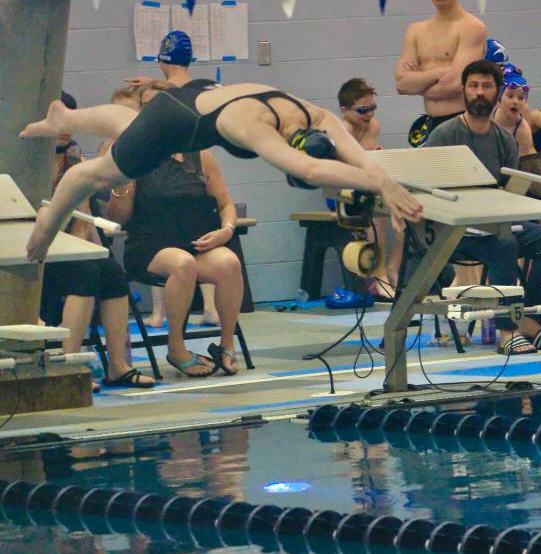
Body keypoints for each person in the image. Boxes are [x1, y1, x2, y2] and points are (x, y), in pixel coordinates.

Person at [19, 77, 424, 264]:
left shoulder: (313, 115)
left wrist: (387, 185)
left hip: (196, 96)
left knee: (130, 126)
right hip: (176, 122)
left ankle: (65, 117)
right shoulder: (254, 127)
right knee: (100, 174)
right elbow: (314, 171)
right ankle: (46, 224)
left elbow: (358, 159)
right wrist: (383, 186)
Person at [425, 60, 541, 355]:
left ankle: (529, 319)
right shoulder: (444, 134)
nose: (479, 92)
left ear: (496, 92)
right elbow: (427, 188)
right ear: (464, 91)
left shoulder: (504, 138)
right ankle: (507, 331)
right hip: (458, 231)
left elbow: (508, 190)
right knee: (504, 243)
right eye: (474, 86)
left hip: (498, 223)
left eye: (486, 86)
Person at [103, 82, 245, 376]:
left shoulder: (200, 153)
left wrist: (226, 230)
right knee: (183, 264)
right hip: (150, 246)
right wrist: (121, 185)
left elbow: (226, 204)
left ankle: (227, 345)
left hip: (195, 242)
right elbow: (119, 220)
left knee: (229, 262)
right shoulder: (135, 154)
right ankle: (176, 348)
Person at [42, 92, 156, 389]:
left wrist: (92, 252)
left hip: (64, 247)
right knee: (84, 274)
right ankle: (67, 366)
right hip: (32, 252)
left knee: (111, 273)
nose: (65, 128)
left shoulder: (74, 157)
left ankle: (118, 366)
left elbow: (82, 216)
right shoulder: (28, 160)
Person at [124, 30, 221, 328]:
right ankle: (208, 309)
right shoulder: (201, 89)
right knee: (195, 225)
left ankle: (161, 314)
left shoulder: (167, 95)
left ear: (160, 59)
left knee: (167, 220)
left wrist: (151, 87)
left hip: (170, 161)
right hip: (190, 160)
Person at [395, 0, 487, 147]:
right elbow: (402, 84)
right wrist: (440, 71)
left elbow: (455, 84)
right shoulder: (415, 31)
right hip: (430, 124)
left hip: (462, 122)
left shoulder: (472, 27)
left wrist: (419, 80)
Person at [337, 77, 402, 299]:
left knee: (404, 211)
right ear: (344, 110)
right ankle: (379, 275)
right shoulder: (341, 131)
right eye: (363, 110)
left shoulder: (373, 126)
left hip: (367, 189)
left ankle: (393, 268)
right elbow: (344, 170)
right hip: (339, 193)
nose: (369, 115)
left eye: (372, 108)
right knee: (378, 215)